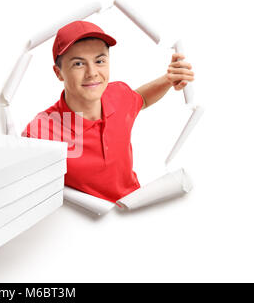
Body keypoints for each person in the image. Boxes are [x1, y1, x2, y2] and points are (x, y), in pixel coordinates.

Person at [21, 20, 194, 204]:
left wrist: (169, 79)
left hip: (135, 206)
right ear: (59, 73)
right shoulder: (40, 132)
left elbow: (140, 99)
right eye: (79, 64)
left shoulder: (118, 94)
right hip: (87, 224)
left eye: (100, 61)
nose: (92, 72)